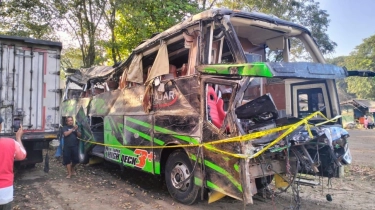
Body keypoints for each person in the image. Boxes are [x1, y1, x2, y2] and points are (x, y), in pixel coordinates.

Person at [0, 117, 26, 210]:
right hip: (5, 191)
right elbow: (22, 155)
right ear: (1, 127)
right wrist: (18, 138)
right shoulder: (11, 143)